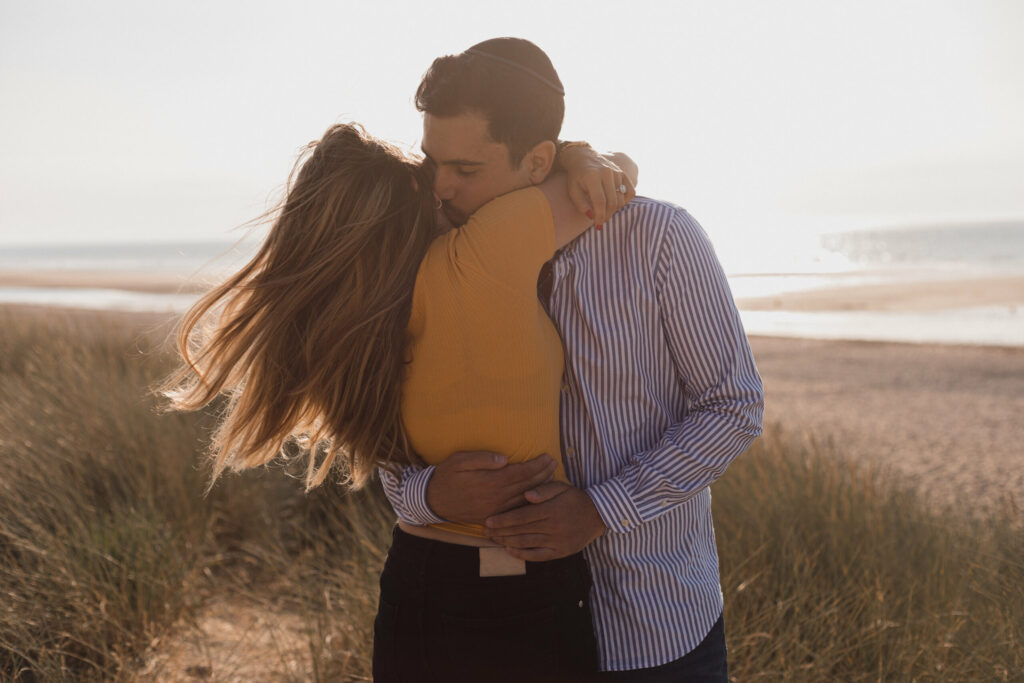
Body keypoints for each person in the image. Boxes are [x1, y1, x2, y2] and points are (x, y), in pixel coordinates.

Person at [160, 120, 636, 681]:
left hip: (415, 580)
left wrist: (429, 495)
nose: (451, 193)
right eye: (438, 180)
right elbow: (615, 180)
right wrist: (581, 155)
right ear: (415, 198)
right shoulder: (478, 258)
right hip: (516, 594)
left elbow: (393, 461)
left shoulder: (348, 326)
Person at [381, 37, 764, 681]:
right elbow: (388, 427)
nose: (440, 188)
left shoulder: (658, 239)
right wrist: (426, 494)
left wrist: (600, 509)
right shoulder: (416, 253)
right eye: (431, 162)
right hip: (495, 632)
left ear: (537, 161)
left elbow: (732, 407)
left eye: (467, 170)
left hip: (654, 626)